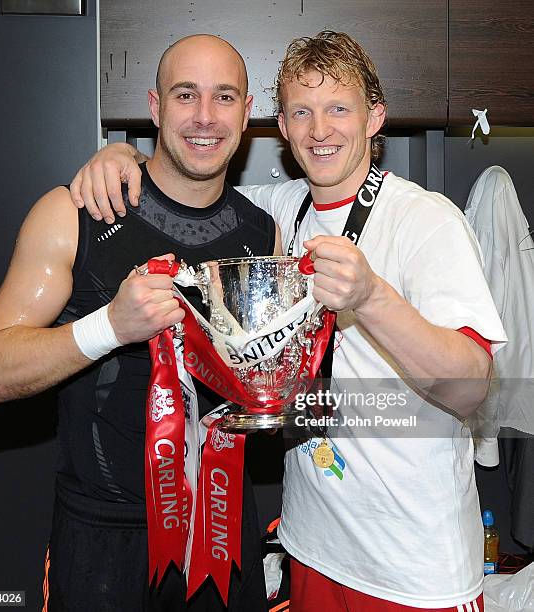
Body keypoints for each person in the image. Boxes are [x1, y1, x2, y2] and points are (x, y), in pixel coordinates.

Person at [71, 31, 507, 612]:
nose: (319, 130)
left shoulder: (426, 222)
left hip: (413, 564)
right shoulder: (276, 212)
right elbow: (187, 181)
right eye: (301, 111)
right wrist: (119, 158)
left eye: (338, 110)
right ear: (280, 126)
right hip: (311, 544)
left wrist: (373, 297)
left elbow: (472, 387)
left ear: (375, 118)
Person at [0, 35, 281, 612]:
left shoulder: (261, 234)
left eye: (225, 96)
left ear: (247, 111)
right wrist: (109, 326)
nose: (206, 117)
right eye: (186, 95)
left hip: (222, 529)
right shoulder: (76, 212)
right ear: (156, 107)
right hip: (104, 542)